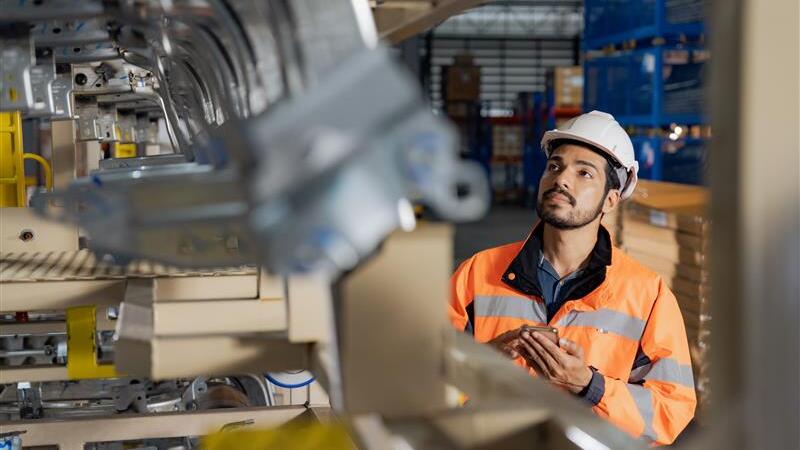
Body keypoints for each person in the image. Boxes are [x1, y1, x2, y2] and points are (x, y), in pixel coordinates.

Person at [449, 111, 696, 445]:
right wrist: (484, 361)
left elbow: (671, 410)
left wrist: (589, 386)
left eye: (584, 173)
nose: (562, 179)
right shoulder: (477, 273)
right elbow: (424, 379)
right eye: (555, 166)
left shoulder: (647, 295)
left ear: (611, 199)